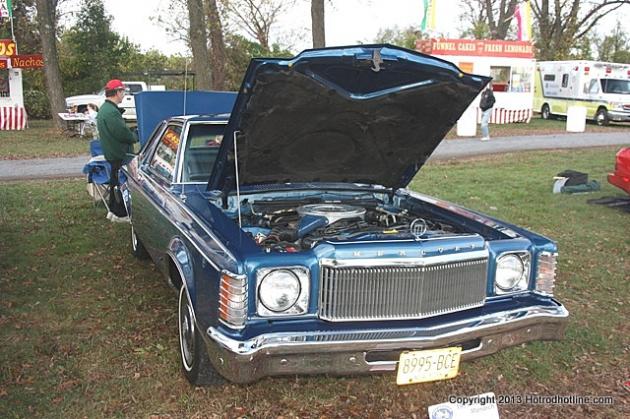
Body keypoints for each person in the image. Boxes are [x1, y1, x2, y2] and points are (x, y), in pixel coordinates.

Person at [96, 79, 137, 223]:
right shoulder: (111, 112)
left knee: (115, 183)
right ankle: (120, 214)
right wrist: (134, 136)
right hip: (119, 154)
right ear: (117, 92)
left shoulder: (106, 109)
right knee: (120, 186)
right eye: (123, 91)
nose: (124, 94)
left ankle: (113, 211)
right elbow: (122, 134)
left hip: (113, 154)